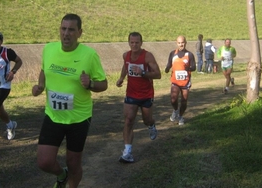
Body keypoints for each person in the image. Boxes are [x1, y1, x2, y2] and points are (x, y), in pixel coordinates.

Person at [32, 13, 108, 188]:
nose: (66, 33)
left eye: (71, 30)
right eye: (63, 29)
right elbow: (44, 70)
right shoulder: (49, 49)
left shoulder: (89, 55)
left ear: (80, 32)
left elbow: (103, 84)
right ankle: (61, 175)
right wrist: (40, 86)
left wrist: (90, 84)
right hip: (53, 115)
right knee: (44, 162)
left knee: (74, 164)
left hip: (79, 118)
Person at [116, 32, 161, 163]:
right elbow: (125, 66)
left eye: (137, 42)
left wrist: (142, 73)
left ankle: (151, 125)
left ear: (141, 43)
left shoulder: (147, 56)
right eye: (132, 42)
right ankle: (127, 152)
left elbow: (158, 74)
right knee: (129, 120)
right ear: (128, 42)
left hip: (146, 94)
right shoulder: (126, 55)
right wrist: (121, 78)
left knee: (147, 120)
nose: (134, 45)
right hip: (131, 94)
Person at [165, 36, 196, 125]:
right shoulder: (172, 53)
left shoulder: (189, 55)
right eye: (179, 43)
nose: (181, 44)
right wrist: (167, 69)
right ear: (176, 43)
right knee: (173, 99)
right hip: (175, 81)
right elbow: (169, 64)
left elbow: (194, 67)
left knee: (184, 101)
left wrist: (189, 68)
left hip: (185, 82)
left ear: (185, 43)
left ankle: (181, 116)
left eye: (182, 42)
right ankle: (175, 110)